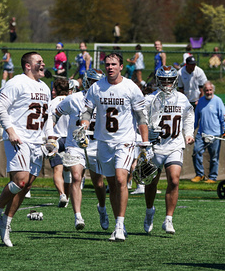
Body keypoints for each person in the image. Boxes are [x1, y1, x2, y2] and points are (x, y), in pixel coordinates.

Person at [78, 52, 150, 241]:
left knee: (120, 179)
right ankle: (120, 223)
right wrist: (84, 127)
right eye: (107, 64)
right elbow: (87, 111)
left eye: (113, 64)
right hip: (104, 142)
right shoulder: (96, 87)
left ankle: (119, 225)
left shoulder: (131, 87)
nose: (110, 67)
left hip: (124, 141)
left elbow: (142, 116)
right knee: (111, 184)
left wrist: (145, 142)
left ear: (120, 66)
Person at [0, 52, 52, 247]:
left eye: (42, 61)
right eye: (38, 62)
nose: (43, 64)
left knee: (27, 186)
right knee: (20, 181)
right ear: (27, 66)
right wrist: (11, 130)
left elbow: (46, 118)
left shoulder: (45, 88)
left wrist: (51, 138)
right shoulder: (16, 82)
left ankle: (7, 222)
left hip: (37, 142)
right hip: (19, 139)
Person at [53, 68, 108, 230]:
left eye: (97, 83)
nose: (94, 86)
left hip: (95, 145)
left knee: (98, 183)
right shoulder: (73, 99)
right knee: (76, 177)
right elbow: (55, 114)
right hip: (75, 145)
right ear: (85, 82)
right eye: (91, 82)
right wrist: (50, 134)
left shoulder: (104, 99)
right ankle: (78, 216)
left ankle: (102, 208)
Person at [143, 66, 194, 234]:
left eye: (169, 80)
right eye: (163, 80)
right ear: (158, 80)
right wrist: (145, 134)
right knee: (151, 183)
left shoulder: (182, 98)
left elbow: (188, 116)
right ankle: (149, 211)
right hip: (155, 146)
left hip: (174, 144)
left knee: (174, 179)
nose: (166, 83)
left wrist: (188, 133)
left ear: (175, 80)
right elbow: (140, 120)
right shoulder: (150, 99)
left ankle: (168, 219)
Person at [191, 82, 225, 184]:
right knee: (196, 152)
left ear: (213, 90)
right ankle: (200, 174)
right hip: (201, 133)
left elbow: (223, 118)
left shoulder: (218, 101)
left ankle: (212, 177)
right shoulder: (200, 102)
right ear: (203, 91)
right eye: (206, 90)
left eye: (210, 90)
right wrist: (190, 131)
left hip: (215, 134)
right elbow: (196, 119)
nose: (208, 92)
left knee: (214, 157)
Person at [47, 78, 71, 208]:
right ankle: (66, 198)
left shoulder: (52, 103)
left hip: (55, 138)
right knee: (68, 171)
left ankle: (62, 194)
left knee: (57, 170)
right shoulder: (73, 101)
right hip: (70, 139)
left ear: (55, 89)